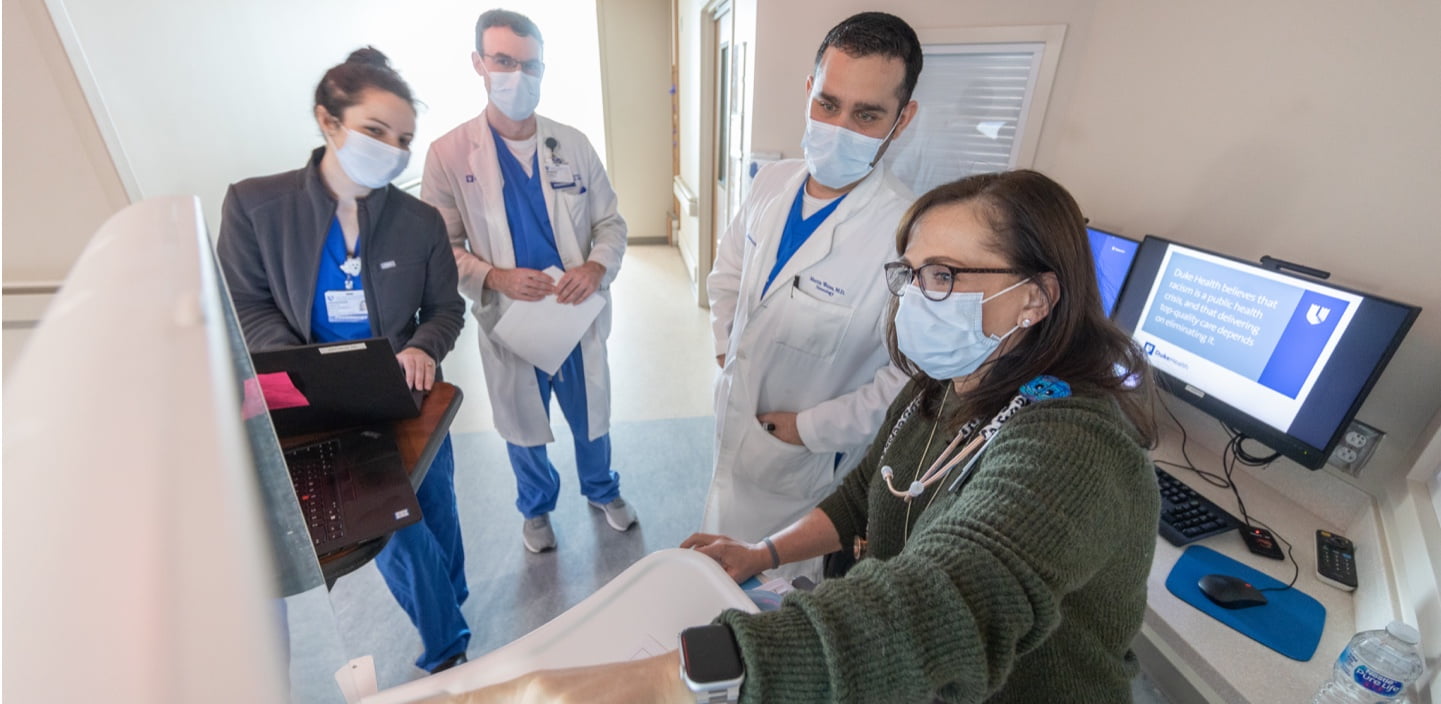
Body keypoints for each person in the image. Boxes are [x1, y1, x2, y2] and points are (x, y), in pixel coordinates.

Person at [429, 170, 1161, 702]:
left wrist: (668, 679)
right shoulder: (943, 387)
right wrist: (762, 552)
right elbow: (860, 497)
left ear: (1033, 296)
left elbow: (946, 599)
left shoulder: (1072, 444)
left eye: (942, 275)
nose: (913, 297)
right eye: (907, 275)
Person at [217, 48, 471, 674]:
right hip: (315, 400)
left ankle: (454, 604)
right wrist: (309, 367)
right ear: (328, 122)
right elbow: (244, 303)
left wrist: (421, 346)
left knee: (438, 508)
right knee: (397, 529)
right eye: (376, 131)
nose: (393, 149)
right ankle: (450, 655)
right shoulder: (255, 208)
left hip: (405, 394)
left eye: (404, 139)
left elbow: (445, 309)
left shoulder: (418, 223)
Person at [702, 12, 922, 579]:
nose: (839, 126)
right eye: (827, 104)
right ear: (808, 91)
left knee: (776, 596)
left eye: (866, 114)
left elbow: (908, 380)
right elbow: (728, 274)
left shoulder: (909, 237)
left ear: (903, 120)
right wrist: (728, 349)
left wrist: (808, 429)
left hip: (803, 461)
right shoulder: (771, 183)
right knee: (715, 553)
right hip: (736, 418)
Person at [422, 9, 634, 554]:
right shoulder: (448, 155)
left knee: (590, 414)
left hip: (575, 309)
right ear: (479, 63)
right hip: (511, 317)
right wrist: (494, 277)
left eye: (531, 64)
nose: (519, 75)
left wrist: (595, 266)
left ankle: (601, 490)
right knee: (523, 422)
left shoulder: (574, 143)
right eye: (504, 61)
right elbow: (441, 250)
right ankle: (536, 510)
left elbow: (610, 222)